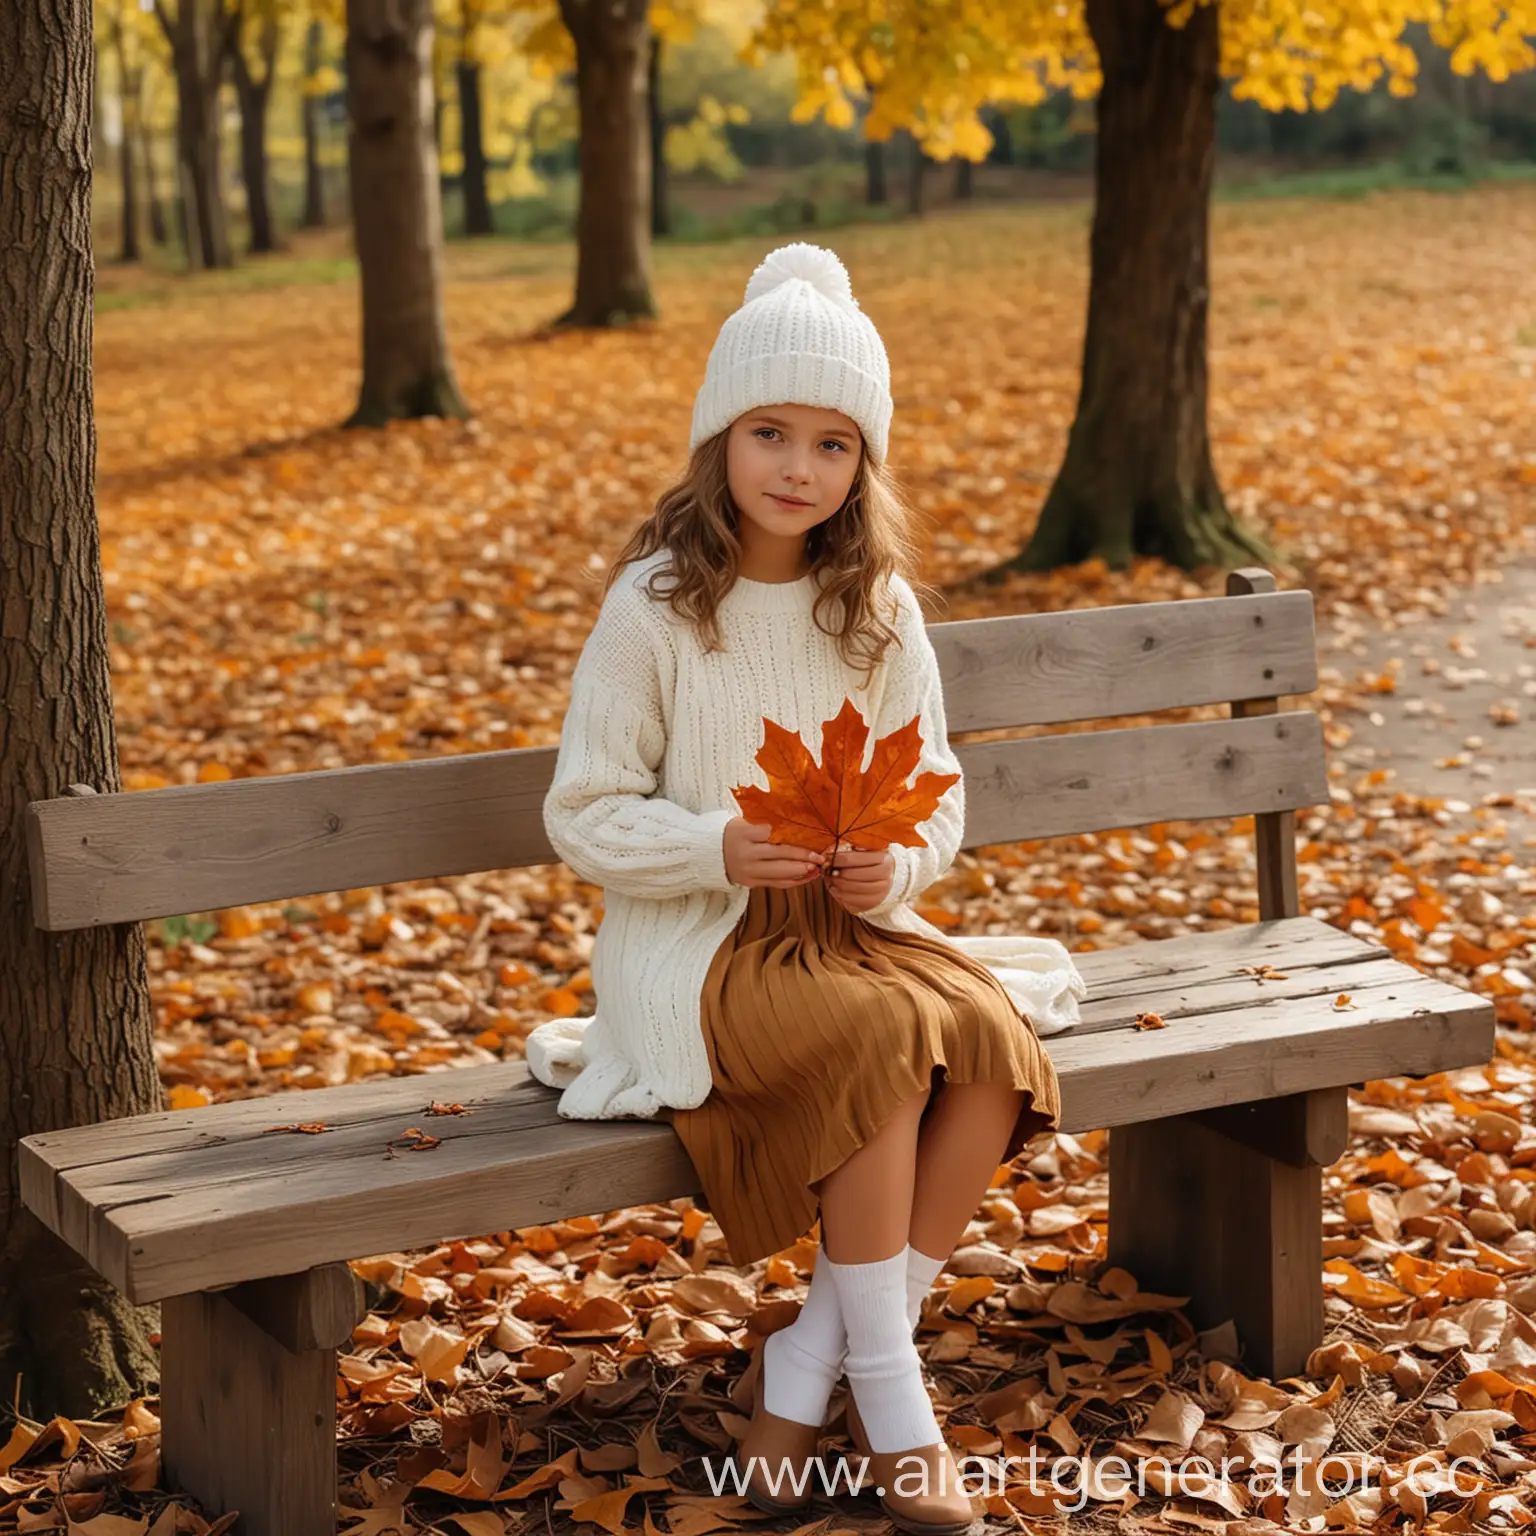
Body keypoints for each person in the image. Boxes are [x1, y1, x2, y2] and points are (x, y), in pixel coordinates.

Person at [525, 242, 1087, 1533]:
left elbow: (934, 788)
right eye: (769, 431)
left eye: (833, 443)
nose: (796, 466)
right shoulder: (659, 607)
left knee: (988, 1047)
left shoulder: (877, 606)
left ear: (862, 466)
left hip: (853, 923)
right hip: (707, 942)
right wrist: (715, 848)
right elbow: (586, 812)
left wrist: (900, 858)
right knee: (887, 1047)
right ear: (719, 437)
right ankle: (892, 1399)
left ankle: (804, 1371)